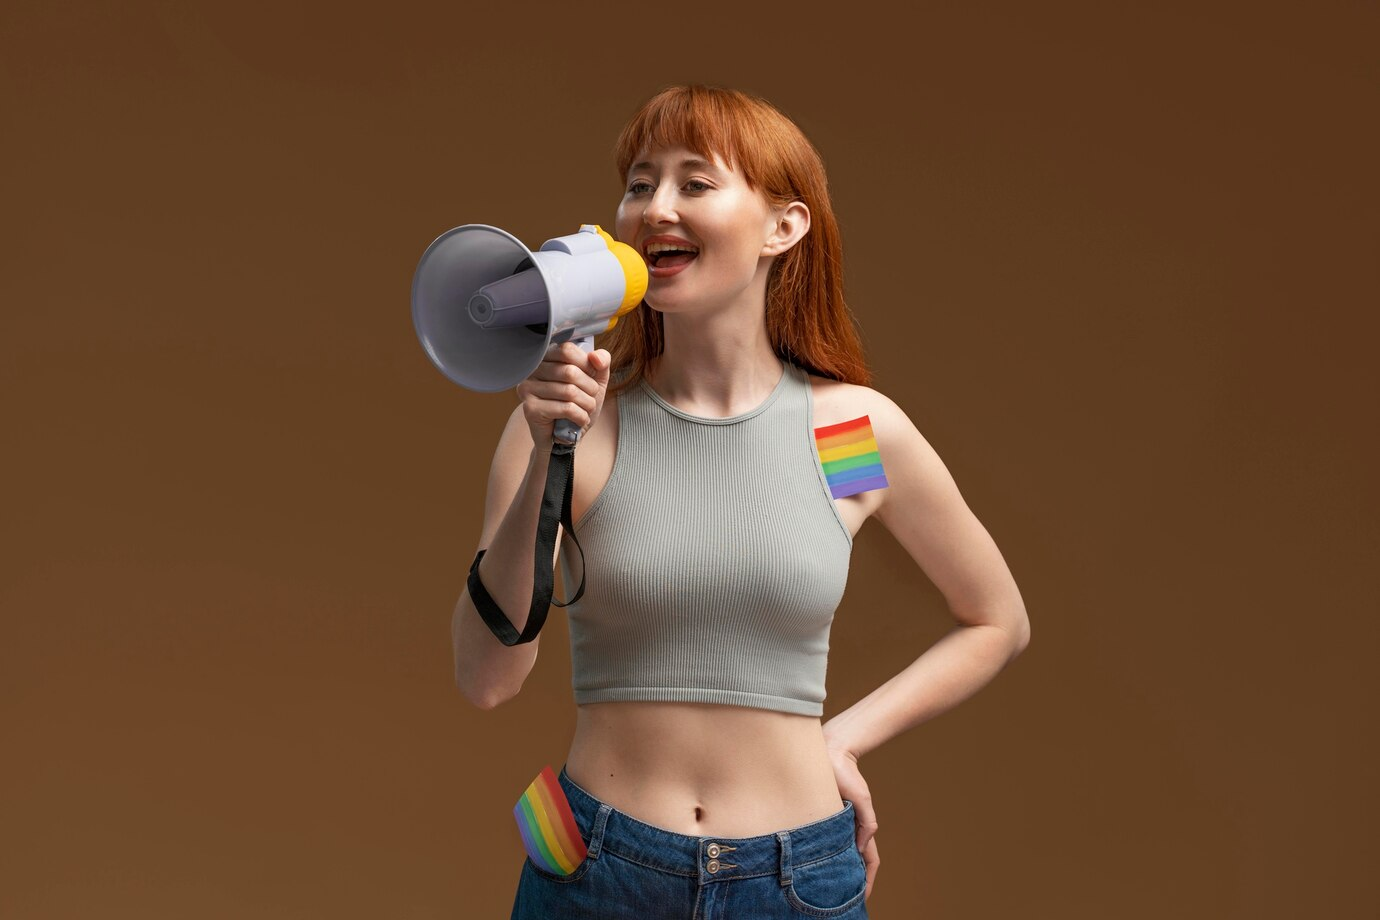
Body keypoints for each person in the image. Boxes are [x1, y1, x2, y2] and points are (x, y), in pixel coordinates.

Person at [454, 85, 1031, 919]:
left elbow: (996, 620)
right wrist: (551, 449)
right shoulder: (579, 428)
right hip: (595, 869)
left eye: (695, 183)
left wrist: (840, 738)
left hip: (798, 879)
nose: (656, 208)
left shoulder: (844, 434)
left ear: (782, 227)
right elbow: (486, 678)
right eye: (641, 183)